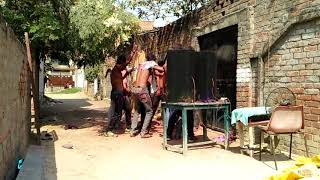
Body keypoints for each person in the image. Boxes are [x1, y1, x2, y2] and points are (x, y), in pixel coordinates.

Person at [105, 44, 138, 137]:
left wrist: (128, 72)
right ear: (121, 62)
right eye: (123, 63)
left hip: (120, 94)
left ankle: (128, 127)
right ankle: (109, 130)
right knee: (117, 113)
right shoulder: (117, 68)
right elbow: (128, 62)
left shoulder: (117, 71)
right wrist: (133, 52)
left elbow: (121, 78)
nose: (124, 66)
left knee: (128, 109)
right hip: (118, 94)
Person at [130, 53, 165, 138]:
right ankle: (144, 132)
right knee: (149, 111)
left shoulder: (142, 64)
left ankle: (133, 130)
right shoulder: (151, 63)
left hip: (135, 89)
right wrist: (165, 66)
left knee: (137, 110)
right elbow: (161, 69)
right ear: (153, 59)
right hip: (142, 90)